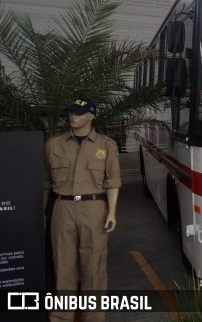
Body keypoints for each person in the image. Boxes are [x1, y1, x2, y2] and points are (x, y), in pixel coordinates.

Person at [44, 98, 121, 322]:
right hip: (62, 207)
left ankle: (94, 317)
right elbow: (45, 183)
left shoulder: (106, 145)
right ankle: (61, 317)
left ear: (92, 116)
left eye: (79, 113)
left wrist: (112, 212)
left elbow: (112, 182)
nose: (73, 117)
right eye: (71, 112)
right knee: (63, 265)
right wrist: (43, 212)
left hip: (94, 209)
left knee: (94, 266)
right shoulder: (53, 145)